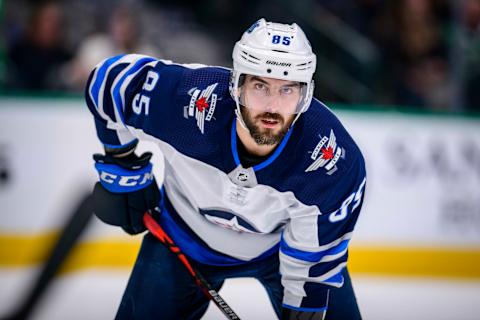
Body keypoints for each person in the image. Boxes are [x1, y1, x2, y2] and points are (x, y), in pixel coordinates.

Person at [86, 18, 366, 320]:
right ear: (236, 85)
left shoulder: (331, 160)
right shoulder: (187, 101)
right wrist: (123, 168)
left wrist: (304, 308)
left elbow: (314, 257)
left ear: (305, 95)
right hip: (181, 237)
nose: (273, 107)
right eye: (261, 86)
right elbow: (107, 82)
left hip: (279, 254)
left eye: (288, 90)